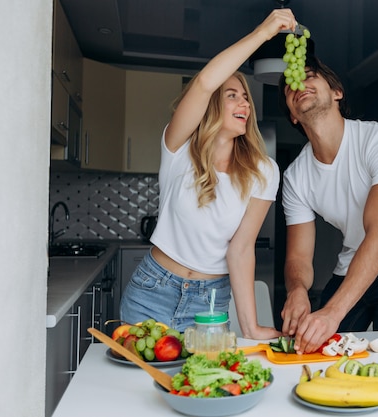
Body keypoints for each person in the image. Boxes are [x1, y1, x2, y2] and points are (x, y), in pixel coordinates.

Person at [120, 9, 300, 339]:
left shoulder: (264, 171)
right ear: (212, 105)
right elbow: (204, 83)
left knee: (205, 386)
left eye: (246, 98)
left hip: (209, 303)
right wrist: (262, 33)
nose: (244, 104)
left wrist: (251, 327)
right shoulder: (178, 148)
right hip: (151, 292)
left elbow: (242, 249)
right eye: (232, 95)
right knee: (137, 388)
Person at [277, 56, 378, 353]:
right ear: (293, 115)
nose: (299, 84)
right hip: (352, 260)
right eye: (289, 87)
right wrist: (297, 290)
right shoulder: (296, 176)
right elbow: (298, 257)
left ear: (337, 92)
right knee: (320, 348)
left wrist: (332, 313)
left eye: (310, 76)